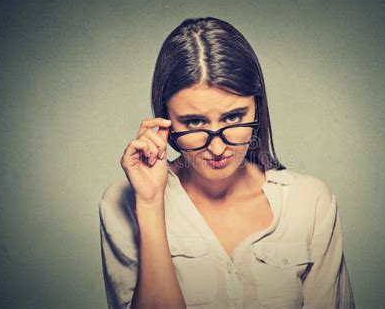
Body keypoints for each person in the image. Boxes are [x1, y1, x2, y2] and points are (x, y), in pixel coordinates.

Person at [99, 17, 355, 309]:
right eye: (194, 122)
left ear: (257, 107)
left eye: (233, 117)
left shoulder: (310, 203)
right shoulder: (123, 204)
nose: (218, 147)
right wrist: (149, 203)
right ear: (165, 119)